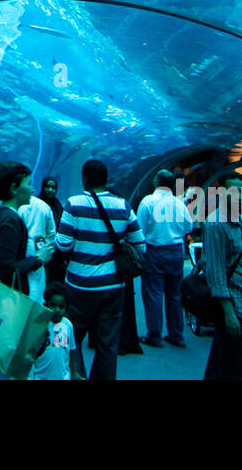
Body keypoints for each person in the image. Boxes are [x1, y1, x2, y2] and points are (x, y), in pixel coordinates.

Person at [56, 159, 145, 380]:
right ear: (106, 179)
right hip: (114, 285)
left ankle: (75, 375)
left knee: (68, 335)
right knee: (108, 343)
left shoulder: (73, 204)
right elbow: (140, 244)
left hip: (79, 284)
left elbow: (63, 244)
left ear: (85, 178)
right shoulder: (123, 206)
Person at [0, 161, 51, 380]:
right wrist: (38, 260)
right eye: (28, 183)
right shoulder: (11, 221)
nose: (32, 188)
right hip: (8, 307)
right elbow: (7, 270)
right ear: (13, 188)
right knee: (6, 368)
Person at [201, 170, 242, 380]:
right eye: (233, 190)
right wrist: (228, 313)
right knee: (235, 367)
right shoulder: (216, 224)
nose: (238, 195)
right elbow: (215, 271)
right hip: (234, 306)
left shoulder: (241, 221)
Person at [137, 169, 191, 348]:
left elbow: (140, 230)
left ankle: (154, 335)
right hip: (176, 251)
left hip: (155, 251)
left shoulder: (148, 202)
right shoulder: (179, 203)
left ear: (156, 181)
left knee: (153, 293)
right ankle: (177, 335)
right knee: (174, 294)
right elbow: (188, 227)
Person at [29, 283, 79, 381]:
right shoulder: (40, 324)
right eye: (53, 305)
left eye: (61, 307)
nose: (57, 310)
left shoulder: (68, 325)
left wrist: (75, 372)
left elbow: (72, 350)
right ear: (46, 305)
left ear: (66, 308)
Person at [18, 185, 57, 301]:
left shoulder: (17, 207)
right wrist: (46, 254)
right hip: (40, 256)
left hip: (21, 261)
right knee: (37, 296)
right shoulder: (44, 206)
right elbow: (52, 235)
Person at [38, 176, 68, 284]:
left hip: (57, 251)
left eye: (53, 187)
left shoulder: (58, 205)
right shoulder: (37, 204)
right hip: (41, 248)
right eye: (47, 187)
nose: (50, 190)